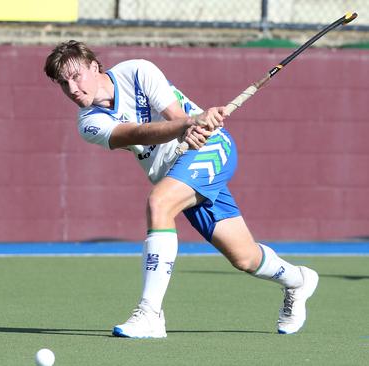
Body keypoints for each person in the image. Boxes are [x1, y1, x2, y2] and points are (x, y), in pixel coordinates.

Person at [43, 40, 318, 338]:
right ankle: (298, 280)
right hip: (176, 172)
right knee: (245, 258)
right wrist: (188, 124)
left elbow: (176, 117)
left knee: (159, 203)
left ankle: (150, 313)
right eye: (62, 83)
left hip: (210, 149)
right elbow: (135, 132)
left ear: (95, 66)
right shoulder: (89, 124)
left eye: (76, 76)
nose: (72, 89)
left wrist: (194, 124)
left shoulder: (137, 71)